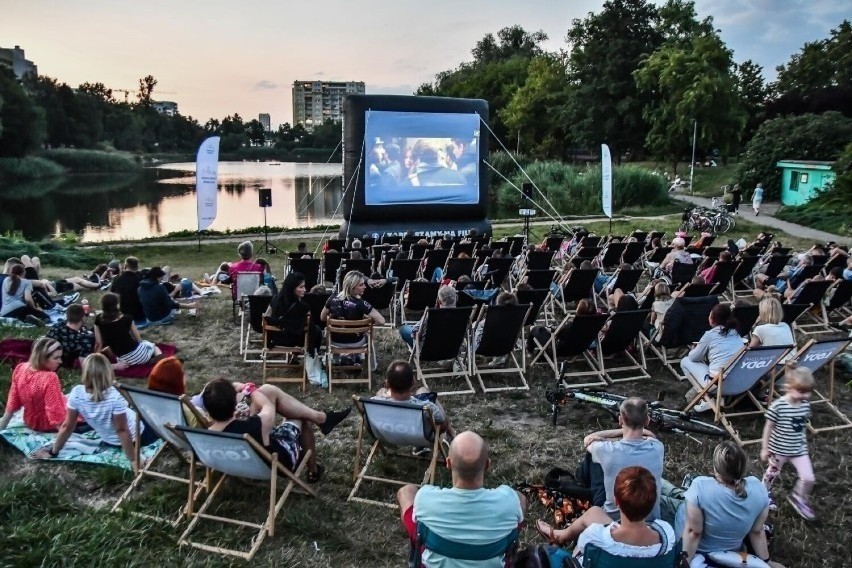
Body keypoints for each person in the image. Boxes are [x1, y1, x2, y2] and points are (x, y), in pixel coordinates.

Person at [396, 431, 527, 567]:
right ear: (487, 465)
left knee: (407, 492)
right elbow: (521, 499)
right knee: (519, 499)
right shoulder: (509, 501)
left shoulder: (425, 498)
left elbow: (406, 493)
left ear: (448, 463)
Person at [201, 378, 351, 482]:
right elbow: (267, 406)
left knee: (267, 390)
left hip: (241, 461)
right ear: (234, 404)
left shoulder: (202, 436)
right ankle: (313, 470)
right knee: (302, 417)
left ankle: (323, 419)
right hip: (278, 462)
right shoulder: (254, 425)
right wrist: (249, 389)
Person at [664, 442, 783, 567]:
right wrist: (766, 561)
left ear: (716, 467)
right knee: (680, 494)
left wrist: (685, 562)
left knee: (662, 497)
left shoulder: (700, 485)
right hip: (733, 551)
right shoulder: (759, 488)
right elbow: (757, 531)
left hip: (699, 549)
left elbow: (694, 532)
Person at [33, 353, 158, 469]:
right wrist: (134, 460)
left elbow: (67, 426)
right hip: (138, 436)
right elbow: (122, 430)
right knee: (155, 414)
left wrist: (53, 451)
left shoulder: (77, 393)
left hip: (110, 440)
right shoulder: (114, 396)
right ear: (108, 371)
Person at [535, 466, 676, 562]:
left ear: (616, 502)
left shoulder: (595, 536)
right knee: (595, 513)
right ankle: (561, 534)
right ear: (653, 503)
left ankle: (556, 540)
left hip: (605, 553)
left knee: (576, 549)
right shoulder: (667, 535)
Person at [574, 397, 665, 522]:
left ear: (621, 419)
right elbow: (651, 436)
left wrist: (618, 431)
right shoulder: (658, 447)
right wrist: (643, 430)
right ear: (647, 420)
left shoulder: (606, 450)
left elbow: (588, 440)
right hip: (650, 518)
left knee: (593, 457)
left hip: (613, 519)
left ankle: (581, 480)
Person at [761, 365, 816, 520]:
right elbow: (768, 427)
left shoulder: (805, 404)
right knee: (771, 473)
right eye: (801, 391)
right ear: (788, 387)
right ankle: (763, 494)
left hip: (799, 449)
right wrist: (765, 448)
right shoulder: (778, 406)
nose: (804, 396)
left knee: (809, 478)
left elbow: (801, 425)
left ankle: (798, 497)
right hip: (778, 449)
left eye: (807, 392)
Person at [374, 360, 456, 449]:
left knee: (381, 392)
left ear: (387, 384)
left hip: (388, 433)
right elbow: (443, 425)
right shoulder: (427, 408)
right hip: (421, 436)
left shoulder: (374, 403)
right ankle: (453, 435)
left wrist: (383, 394)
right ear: (413, 382)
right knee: (424, 391)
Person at [264, 272, 326, 386]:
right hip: (294, 340)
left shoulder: (275, 299)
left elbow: (266, 318)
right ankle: (313, 360)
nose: (305, 289)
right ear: (292, 288)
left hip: (275, 339)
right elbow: (307, 326)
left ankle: (294, 357)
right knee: (315, 331)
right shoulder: (303, 307)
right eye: (301, 287)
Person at [680, 304, 743, 412]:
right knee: (715, 364)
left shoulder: (710, 335)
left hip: (718, 384)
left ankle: (706, 398)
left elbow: (694, 357)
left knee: (685, 361)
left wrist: (695, 349)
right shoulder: (736, 334)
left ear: (713, 319)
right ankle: (716, 398)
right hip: (739, 382)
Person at [0, 337, 67, 432]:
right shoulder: (50, 377)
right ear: (42, 358)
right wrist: (64, 435)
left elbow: (13, 401)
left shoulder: (20, 368)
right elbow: (54, 411)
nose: (60, 361)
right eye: (56, 358)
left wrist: (2, 425)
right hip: (47, 425)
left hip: (29, 421)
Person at [94, 292, 163, 366]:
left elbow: (98, 343)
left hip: (123, 360)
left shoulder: (98, 319)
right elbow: (138, 339)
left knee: (111, 349)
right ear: (117, 305)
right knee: (152, 346)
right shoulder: (127, 318)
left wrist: (94, 359)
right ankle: (160, 358)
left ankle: (144, 360)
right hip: (140, 355)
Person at [321, 270, 385, 348]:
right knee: (368, 335)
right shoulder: (361, 304)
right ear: (352, 287)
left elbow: (323, 318)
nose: (365, 287)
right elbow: (382, 321)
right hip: (356, 342)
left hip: (335, 341)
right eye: (361, 285)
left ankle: (336, 358)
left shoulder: (332, 298)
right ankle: (366, 359)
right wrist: (366, 323)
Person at [399, 284, 456, 349]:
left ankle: (414, 352)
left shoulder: (431, 314)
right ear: (455, 299)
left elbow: (414, 334)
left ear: (439, 301)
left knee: (404, 328)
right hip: (451, 350)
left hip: (428, 351)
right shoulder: (461, 315)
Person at [750, 297, 795, 363]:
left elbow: (750, 351)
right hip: (791, 362)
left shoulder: (760, 329)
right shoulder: (785, 326)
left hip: (775, 365)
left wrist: (755, 325)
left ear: (763, 313)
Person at [110, 256, 147, 327]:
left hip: (122, 316)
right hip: (139, 316)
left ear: (125, 266)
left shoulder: (117, 279)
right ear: (137, 266)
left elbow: (112, 296)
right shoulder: (141, 279)